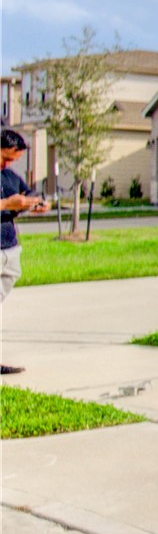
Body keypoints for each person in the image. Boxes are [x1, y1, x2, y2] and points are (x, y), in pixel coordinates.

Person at [1, 128, 52, 375]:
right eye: (5, 158)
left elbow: (28, 193)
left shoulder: (9, 176)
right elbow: (11, 203)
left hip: (9, 249)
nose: (8, 164)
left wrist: (38, 203)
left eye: (13, 159)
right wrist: (6, 204)